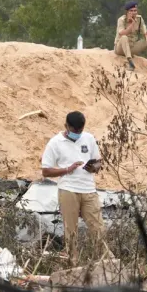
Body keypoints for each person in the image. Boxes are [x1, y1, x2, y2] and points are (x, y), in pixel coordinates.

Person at [41, 111, 104, 264]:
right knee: (71, 230)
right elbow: (46, 171)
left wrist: (93, 167)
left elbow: (99, 162)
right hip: (68, 190)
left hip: (89, 190)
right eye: (74, 130)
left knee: (98, 228)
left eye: (80, 130)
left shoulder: (89, 138)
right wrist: (67, 169)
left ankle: (104, 261)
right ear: (66, 126)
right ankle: (73, 263)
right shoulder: (55, 143)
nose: (77, 133)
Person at [114, 1, 147, 71]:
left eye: (135, 11)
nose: (133, 12)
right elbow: (122, 33)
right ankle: (130, 62)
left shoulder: (139, 19)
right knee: (124, 37)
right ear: (127, 12)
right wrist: (132, 24)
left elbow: (144, 32)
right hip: (120, 48)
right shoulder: (121, 20)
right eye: (131, 11)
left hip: (132, 47)